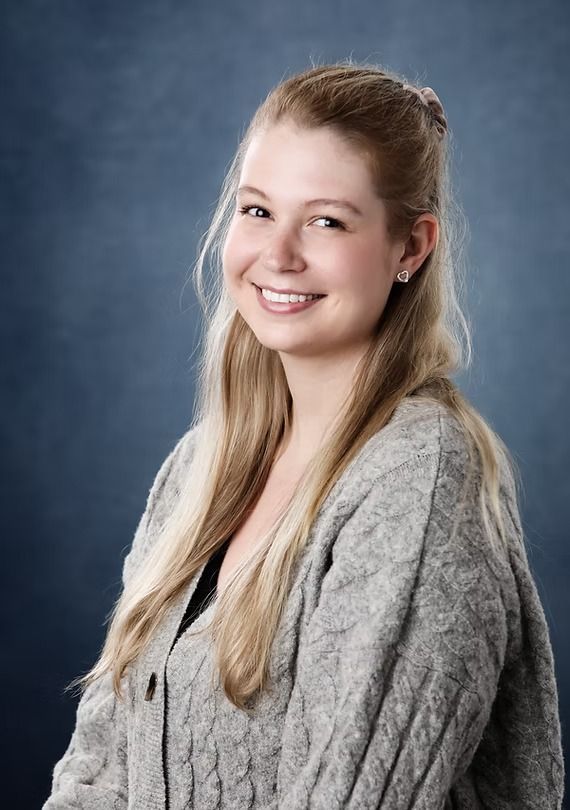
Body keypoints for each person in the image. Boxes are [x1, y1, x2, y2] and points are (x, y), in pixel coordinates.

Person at [43, 61, 565, 809]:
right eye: (257, 211)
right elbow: (97, 770)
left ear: (411, 247)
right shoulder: (196, 473)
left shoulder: (417, 486)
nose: (278, 254)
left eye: (326, 220)